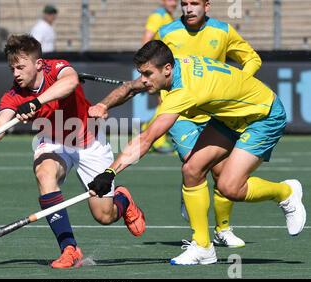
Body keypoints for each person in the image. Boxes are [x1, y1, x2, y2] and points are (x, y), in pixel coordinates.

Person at [88, 40, 306, 265]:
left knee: (230, 187)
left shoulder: (183, 91)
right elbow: (132, 87)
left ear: (167, 69)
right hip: (230, 117)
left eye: (147, 74)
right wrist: (104, 105)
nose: (143, 79)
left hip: (263, 115)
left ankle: (286, 193)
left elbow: (147, 139)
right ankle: (202, 246)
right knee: (192, 170)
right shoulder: (175, 66)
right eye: (141, 73)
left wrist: (110, 173)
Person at [91, 0, 262, 249]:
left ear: (208, 5)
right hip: (180, 114)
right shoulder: (168, 32)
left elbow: (252, 59)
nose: (188, 9)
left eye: (195, 3)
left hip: (216, 112)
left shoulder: (224, 32)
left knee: (221, 173)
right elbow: (148, 70)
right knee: (195, 168)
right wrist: (107, 104)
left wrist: (239, 84)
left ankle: (223, 229)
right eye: (184, 3)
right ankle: (200, 240)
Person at [0, 34, 145, 269]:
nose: (16, 74)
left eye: (21, 67)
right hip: (52, 140)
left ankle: (123, 199)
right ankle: (70, 249)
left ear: (38, 64)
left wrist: (36, 102)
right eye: (12, 69)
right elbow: (0, 123)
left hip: (89, 142)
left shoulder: (57, 68)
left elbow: (70, 82)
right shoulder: (14, 93)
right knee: (44, 173)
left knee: (104, 216)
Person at [140, 0, 178, 154]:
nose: (174, 3)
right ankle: (157, 140)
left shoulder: (168, 17)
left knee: (164, 102)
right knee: (167, 102)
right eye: (170, 0)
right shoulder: (158, 16)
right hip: (158, 68)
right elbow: (146, 40)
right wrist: (148, 67)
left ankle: (145, 131)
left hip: (165, 66)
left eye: (176, 0)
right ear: (162, 1)